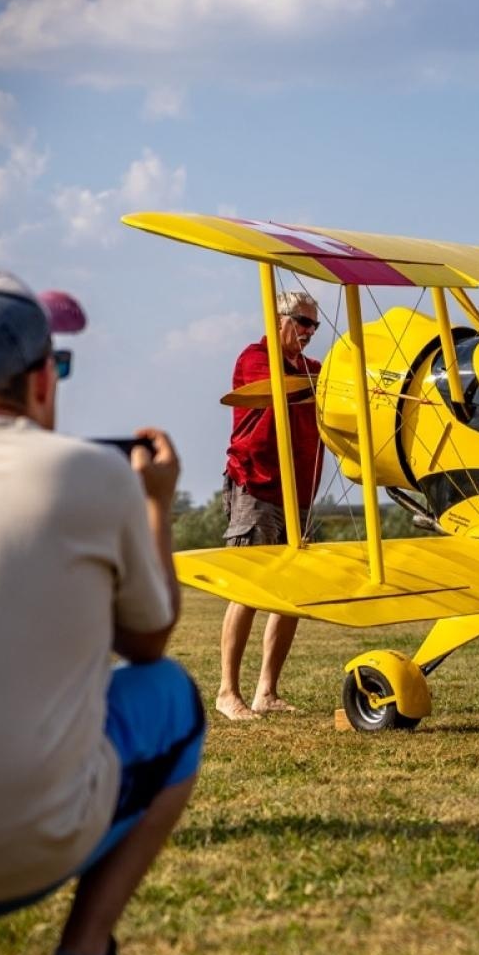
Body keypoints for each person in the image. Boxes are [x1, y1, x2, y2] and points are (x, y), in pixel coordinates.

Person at [0, 270, 203, 955]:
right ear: (43, 379)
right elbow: (149, 642)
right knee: (174, 696)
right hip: (42, 840)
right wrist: (155, 503)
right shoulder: (90, 474)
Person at [213, 291, 324, 721]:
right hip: (256, 484)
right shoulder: (255, 359)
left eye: (314, 325)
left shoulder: (311, 370)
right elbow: (286, 392)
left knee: (290, 592)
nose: (309, 333)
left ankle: (267, 691)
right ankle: (227, 692)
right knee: (249, 587)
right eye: (301, 322)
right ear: (278, 319)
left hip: (297, 492)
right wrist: (320, 386)